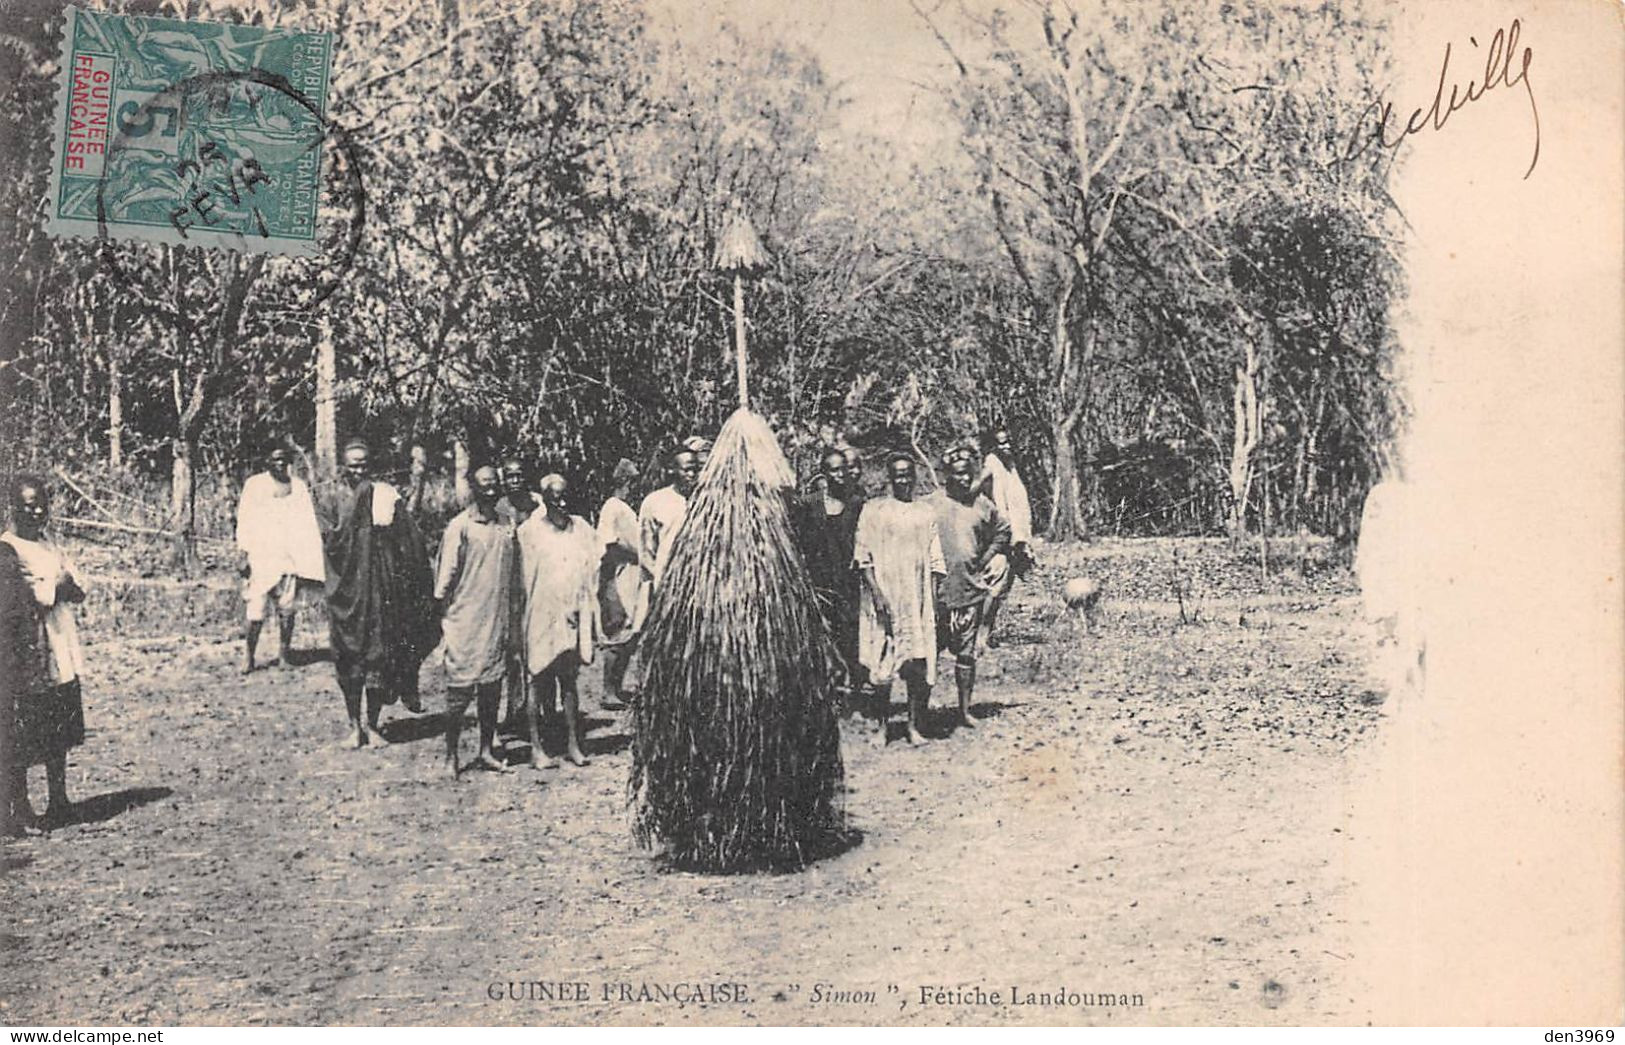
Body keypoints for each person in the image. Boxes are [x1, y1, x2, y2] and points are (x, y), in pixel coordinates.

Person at [321, 438, 440, 748]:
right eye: (353, 465)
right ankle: (353, 726)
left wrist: (409, 580)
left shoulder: (386, 495)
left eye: (364, 464)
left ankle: (372, 726)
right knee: (348, 658)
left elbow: (409, 540)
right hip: (345, 587)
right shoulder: (332, 497)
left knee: (377, 655)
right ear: (343, 467)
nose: (359, 470)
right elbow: (328, 540)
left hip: (379, 587)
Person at [1, 477, 87, 827]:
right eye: (29, 503)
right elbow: (18, 601)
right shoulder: (7, 549)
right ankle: (19, 809)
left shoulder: (48, 543)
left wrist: (59, 587)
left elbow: (76, 587)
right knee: (22, 728)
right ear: (12, 506)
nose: (37, 511)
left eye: (42, 504)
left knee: (59, 721)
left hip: (58, 640)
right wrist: (56, 588)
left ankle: (59, 799)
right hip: (27, 649)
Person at [855, 453, 945, 745]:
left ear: (915, 476)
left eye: (908, 473)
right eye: (898, 474)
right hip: (886, 599)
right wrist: (878, 595)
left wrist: (930, 601)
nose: (903, 479)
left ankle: (912, 726)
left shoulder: (925, 512)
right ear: (889, 477)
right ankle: (882, 728)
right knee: (883, 667)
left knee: (915, 666)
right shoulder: (874, 511)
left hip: (917, 600)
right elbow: (863, 557)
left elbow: (935, 560)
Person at [434, 465, 515, 776]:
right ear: (473, 488)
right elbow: (446, 577)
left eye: (495, 483)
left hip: (496, 617)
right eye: (485, 484)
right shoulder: (460, 527)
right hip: (465, 618)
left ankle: (485, 750)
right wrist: (443, 613)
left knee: (492, 686)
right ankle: (451, 755)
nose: (491, 489)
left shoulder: (506, 525)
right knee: (460, 689)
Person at [517, 474, 598, 767]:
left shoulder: (582, 529)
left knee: (569, 681)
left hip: (572, 614)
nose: (562, 503)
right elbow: (520, 581)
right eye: (555, 498)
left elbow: (592, 570)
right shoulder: (528, 532)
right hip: (540, 614)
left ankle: (573, 744)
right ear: (545, 499)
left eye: (566, 496)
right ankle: (537, 748)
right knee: (537, 679)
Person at [931, 449, 1011, 731]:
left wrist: (985, 557)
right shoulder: (931, 504)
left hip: (970, 591)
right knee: (929, 654)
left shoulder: (982, 505)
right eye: (958, 473)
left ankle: (964, 711)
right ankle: (920, 714)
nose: (963, 478)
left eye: (968, 473)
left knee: (965, 655)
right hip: (936, 594)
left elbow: (1003, 531)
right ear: (946, 476)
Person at [235, 442, 326, 673]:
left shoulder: (298, 487)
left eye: (285, 460)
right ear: (267, 462)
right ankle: (249, 655)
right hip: (261, 557)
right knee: (256, 611)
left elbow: (308, 524)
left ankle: (284, 654)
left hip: (289, 559)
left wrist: (309, 560)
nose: (281, 464)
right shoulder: (255, 485)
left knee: (287, 609)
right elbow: (245, 520)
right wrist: (243, 553)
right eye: (276, 459)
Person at [793, 447, 865, 696]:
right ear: (823, 474)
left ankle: (855, 687)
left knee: (851, 633)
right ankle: (828, 689)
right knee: (823, 635)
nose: (839, 475)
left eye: (843, 469)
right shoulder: (809, 504)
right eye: (833, 470)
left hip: (849, 581)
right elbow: (798, 540)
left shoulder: (856, 504)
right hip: (819, 583)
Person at [494, 456, 540, 731]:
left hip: (535, 581)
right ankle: (514, 708)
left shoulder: (537, 504)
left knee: (537, 647)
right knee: (512, 651)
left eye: (518, 475)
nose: (515, 481)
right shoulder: (500, 507)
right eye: (509, 476)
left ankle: (540, 709)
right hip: (509, 586)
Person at [978, 427, 1034, 648]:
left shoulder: (1011, 468)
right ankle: (979, 633)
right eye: (1001, 443)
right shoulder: (991, 465)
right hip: (999, 537)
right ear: (993, 446)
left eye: (1008, 442)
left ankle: (987, 632)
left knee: (1003, 589)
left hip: (1015, 537)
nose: (1006, 447)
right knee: (993, 587)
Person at [634, 445, 699, 631]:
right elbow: (647, 552)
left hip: (697, 588)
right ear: (672, 470)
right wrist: (658, 585)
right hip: (666, 589)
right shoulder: (656, 502)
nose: (692, 474)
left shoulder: (703, 503)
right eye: (687, 469)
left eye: (696, 469)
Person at [596, 458, 641, 710]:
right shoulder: (612, 507)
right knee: (616, 635)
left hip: (631, 574)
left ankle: (617, 687)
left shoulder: (626, 508)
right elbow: (609, 544)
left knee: (629, 635)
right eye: (631, 481)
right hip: (618, 573)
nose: (633, 487)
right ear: (623, 481)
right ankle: (607, 691)